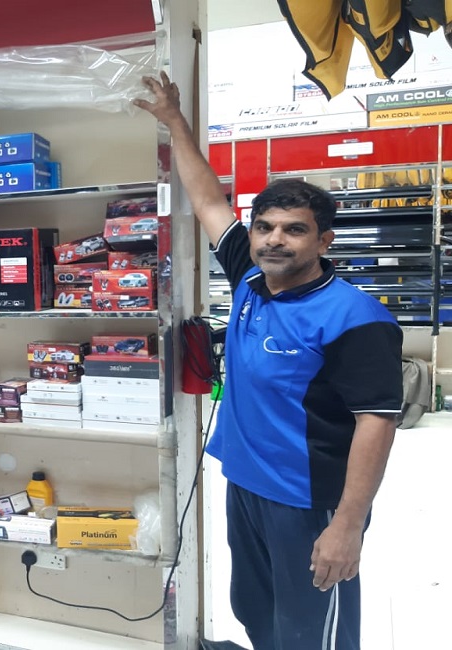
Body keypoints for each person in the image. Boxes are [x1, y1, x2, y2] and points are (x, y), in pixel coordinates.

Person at [136, 73, 403, 650]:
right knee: (258, 613)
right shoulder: (251, 278)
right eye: (265, 227)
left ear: (324, 241)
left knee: (312, 632)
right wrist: (175, 121)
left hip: (310, 501)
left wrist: (347, 526)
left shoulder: (355, 318)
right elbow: (208, 200)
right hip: (246, 485)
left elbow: (377, 423)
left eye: (294, 230)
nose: (274, 240)